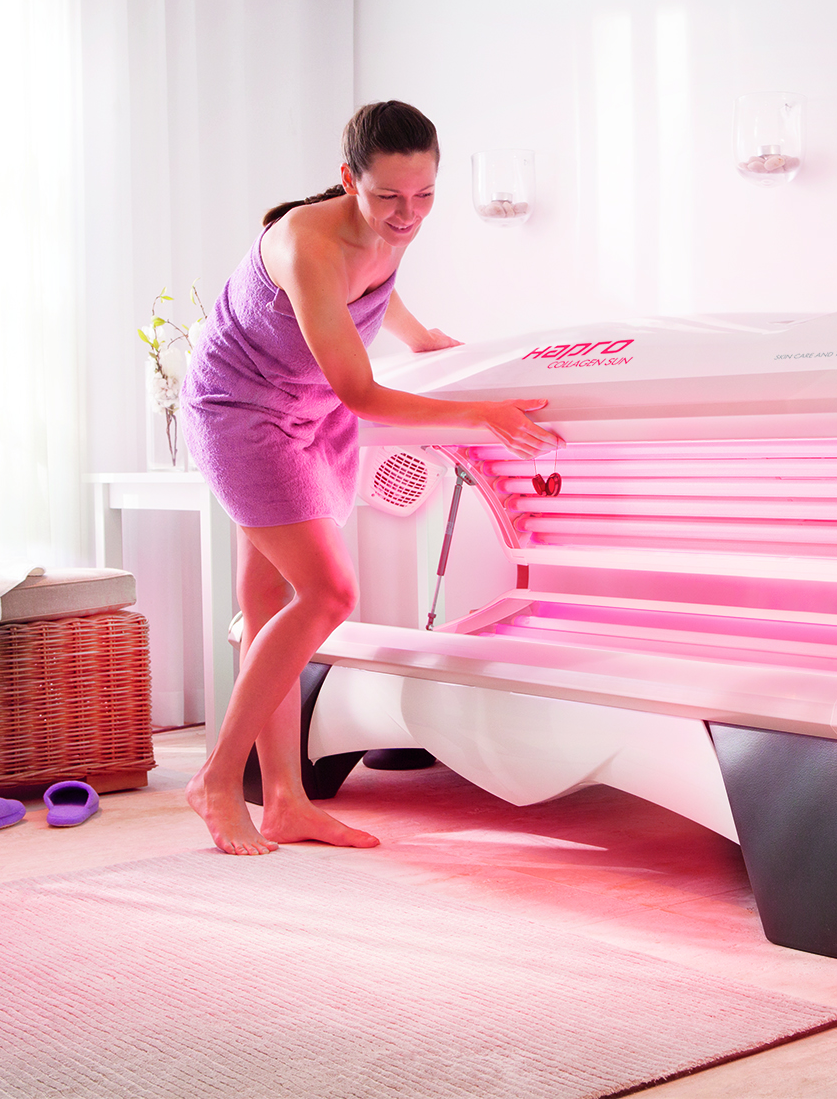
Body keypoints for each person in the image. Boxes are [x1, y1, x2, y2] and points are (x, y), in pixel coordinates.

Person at [180, 101, 560, 855]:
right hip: (241, 412)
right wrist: (480, 415)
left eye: (424, 196)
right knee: (329, 593)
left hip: (307, 413)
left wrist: (420, 338)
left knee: (267, 605)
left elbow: (379, 287)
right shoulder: (306, 245)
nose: (407, 215)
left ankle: (285, 800)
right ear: (349, 180)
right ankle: (217, 778)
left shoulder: (388, 226)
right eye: (388, 196)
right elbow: (359, 390)